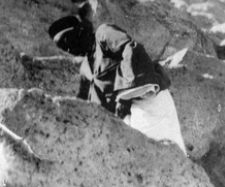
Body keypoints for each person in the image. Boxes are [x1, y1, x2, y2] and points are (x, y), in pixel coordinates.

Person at [47, 15, 186, 152]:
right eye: (63, 47)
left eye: (66, 41)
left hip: (147, 97)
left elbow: (131, 48)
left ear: (79, 31)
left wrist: (126, 93)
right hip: (128, 113)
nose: (69, 49)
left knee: (164, 152)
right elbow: (90, 102)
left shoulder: (103, 33)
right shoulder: (87, 66)